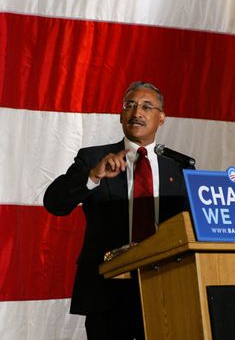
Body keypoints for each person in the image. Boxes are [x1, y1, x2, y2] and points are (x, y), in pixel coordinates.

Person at [43, 81, 194, 340]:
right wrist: (92, 177)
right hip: (108, 292)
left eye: (147, 106)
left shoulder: (179, 168)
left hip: (165, 289)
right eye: (130, 105)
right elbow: (54, 203)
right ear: (121, 115)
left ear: (162, 118)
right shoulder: (93, 159)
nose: (137, 112)